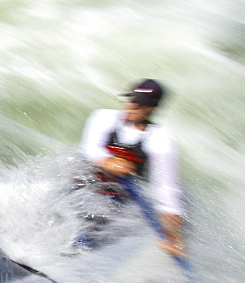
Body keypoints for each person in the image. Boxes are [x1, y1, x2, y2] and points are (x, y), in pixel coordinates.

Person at [78, 79, 184, 256]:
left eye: (141, 102)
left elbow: (166, 189)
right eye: (131, 98)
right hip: (85, 188)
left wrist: (173, 234)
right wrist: (107, 161)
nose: (133, 105)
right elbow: (89, 148)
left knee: (91, 238)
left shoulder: (161, 139)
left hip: (122, 202)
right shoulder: (103, 117)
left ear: (153, 109)